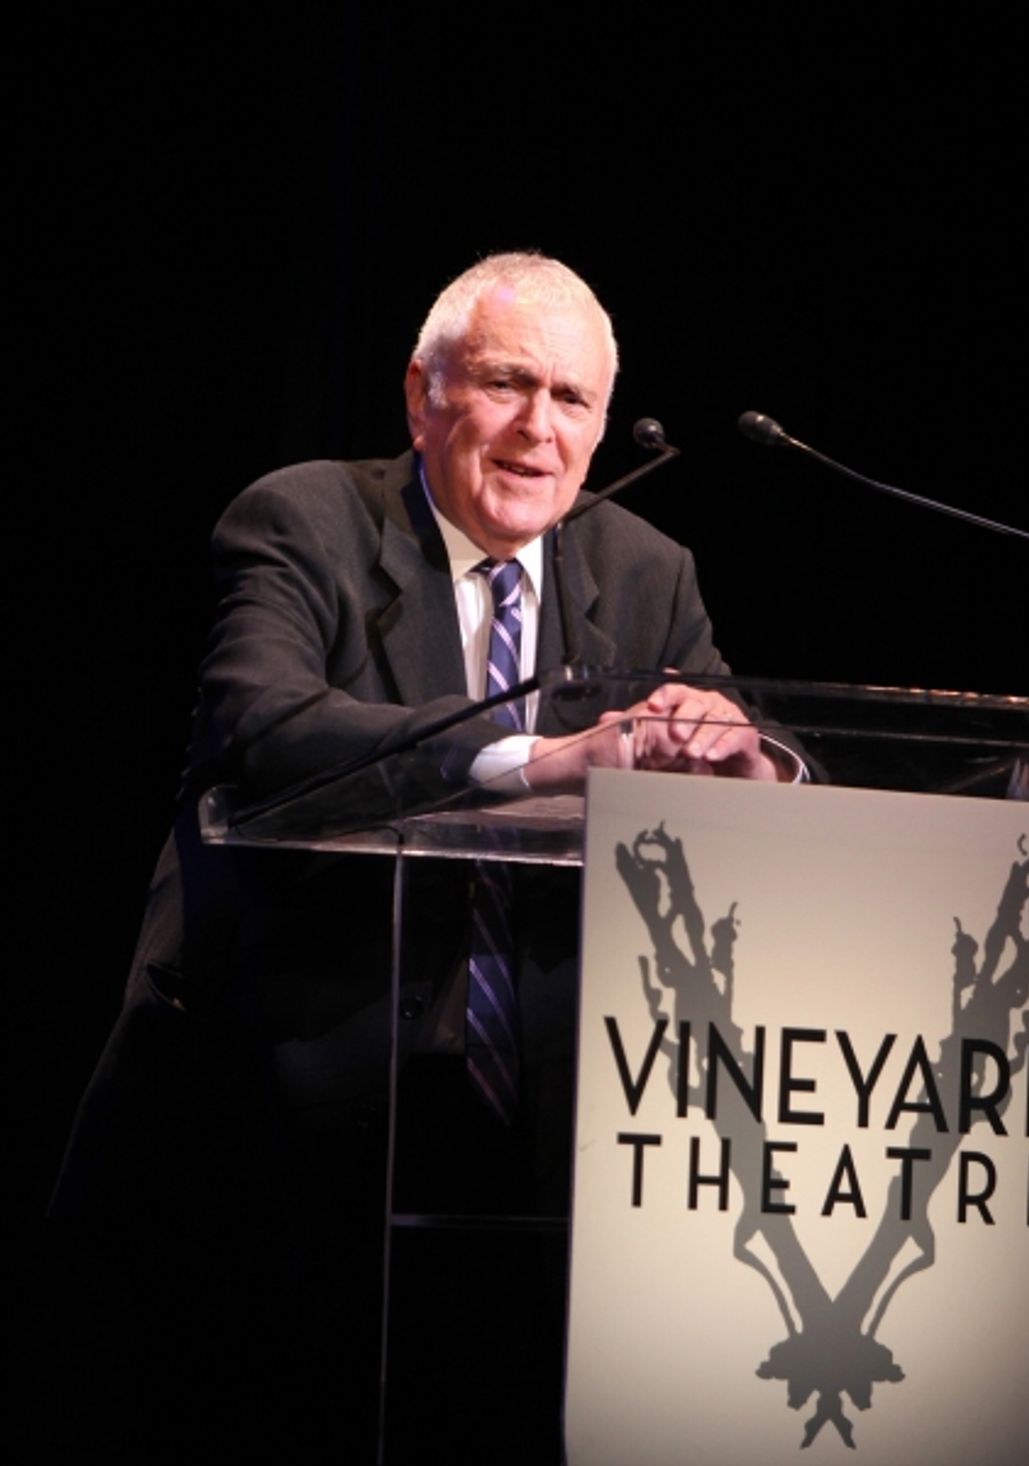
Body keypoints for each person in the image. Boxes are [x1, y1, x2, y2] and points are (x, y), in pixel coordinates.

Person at [51, 253, 806, 1464]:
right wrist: (532, 756)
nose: (537, 430)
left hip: (548, 1145)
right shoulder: (306, 519)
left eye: (572, 400)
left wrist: (747, 764)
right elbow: (266, 729)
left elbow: (754, 745)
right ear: (422, 395)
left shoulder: (646, 569)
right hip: (282, 1137)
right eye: (507, 384)